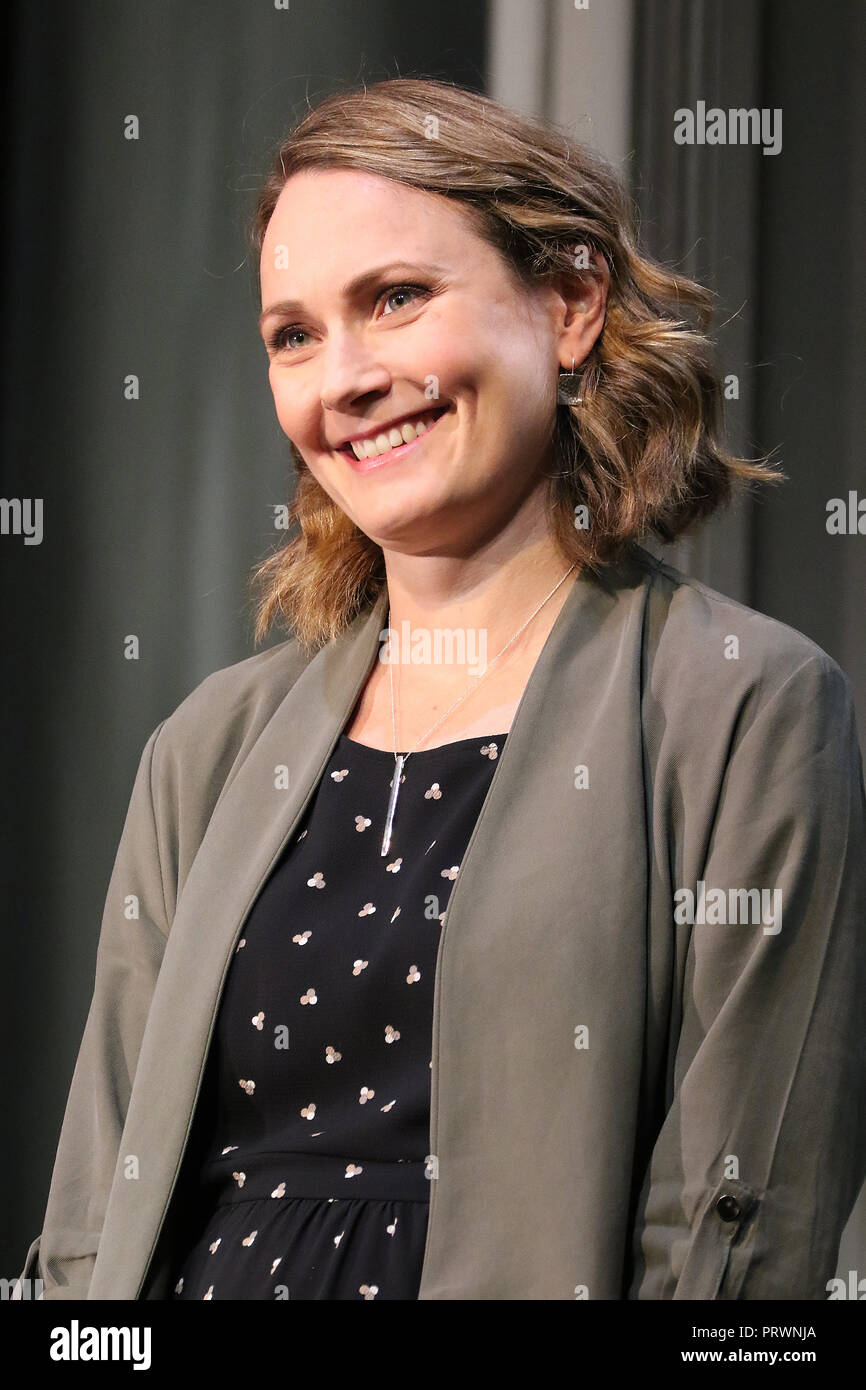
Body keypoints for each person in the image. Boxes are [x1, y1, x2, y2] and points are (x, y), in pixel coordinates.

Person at [19, 77, 866, 1301]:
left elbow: (740, 1247)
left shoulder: (742, 708)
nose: (344, 378)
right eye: (294, 335)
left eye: (397, 299)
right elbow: (93, 1212)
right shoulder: (206, 745)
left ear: (568, 301)